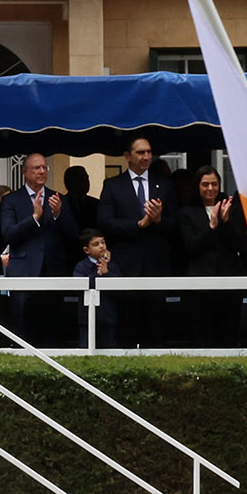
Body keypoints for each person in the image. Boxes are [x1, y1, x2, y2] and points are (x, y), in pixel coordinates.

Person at [98, 138, 174, 348]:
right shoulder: (113, 185)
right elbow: (105, 223)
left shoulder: (164, 184)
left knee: (155, 329)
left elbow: (175, 224)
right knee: (126, 330)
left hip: (156, 265)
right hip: (126, 266)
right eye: (140, 152)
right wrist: (138, 224)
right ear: (127, 156)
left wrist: (158, 220)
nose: (146, 157)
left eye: (149, 152)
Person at [0, 152, 76, 347]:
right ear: (25, 172)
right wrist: (33, 218)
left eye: (44, 167)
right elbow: (9, 234)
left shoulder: (57, 198)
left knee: (50, 332)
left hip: (53, 271)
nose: (42, 171)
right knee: (23, 331)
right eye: (37, 168)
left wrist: (58, 215)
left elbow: (74, 235)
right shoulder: (12, 200)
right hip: (24, 272)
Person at [173, 166, 247, 342]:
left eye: (214, 184)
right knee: (202, 334)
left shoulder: (230, 208)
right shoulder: (187, 212)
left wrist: (227, 221)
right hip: (201, 283)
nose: (210, 189)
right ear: (197, 186)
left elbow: (239, 243)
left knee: (229, 332)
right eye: (205, 184)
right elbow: (191, 246)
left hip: (230, 279)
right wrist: (212, 226)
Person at [75, 229, 115, 347]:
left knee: (109, 349)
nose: (101, 246)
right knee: (86, 346)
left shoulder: (112, 265)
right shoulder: (81, 267)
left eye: (103, 242)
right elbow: (81, 285)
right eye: (96, 244)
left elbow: (118, 285)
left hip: (108, 316)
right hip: (86, 318)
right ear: (86, 250)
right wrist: (98, 273)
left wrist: (107, 272)